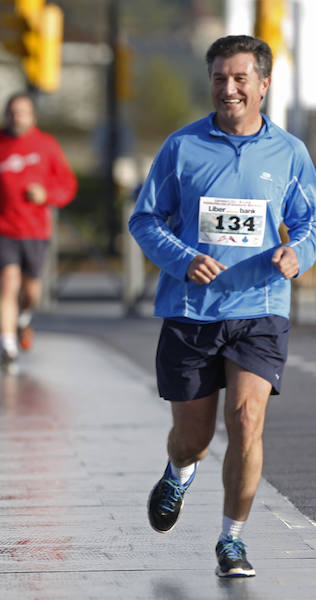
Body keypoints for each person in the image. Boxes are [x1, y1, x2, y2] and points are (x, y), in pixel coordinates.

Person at [129, 35, 316, 578]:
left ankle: (231, 539)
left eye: (239, 78)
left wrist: (297, 253)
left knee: (247, 419)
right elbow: (145, 220)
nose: (228, 88)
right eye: (219, 78)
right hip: (192, 310)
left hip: (260, 307)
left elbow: (310, 223)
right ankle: (179, 470)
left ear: (263, 84)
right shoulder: (182, 148)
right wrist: (184, 258)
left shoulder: (289, 152)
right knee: (195, 438)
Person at [0, 92, 77, 369]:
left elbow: (67, 185)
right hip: (0, 227)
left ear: (32, 116)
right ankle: (8, 345)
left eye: (23, 112)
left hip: (35, 230)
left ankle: (23, 318)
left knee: (31, 292)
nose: (17, 117)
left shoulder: (46, 145)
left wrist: (46, 194)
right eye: (12, 112)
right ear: (6, 115)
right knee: (7, 282)